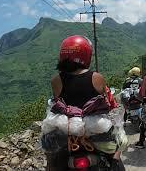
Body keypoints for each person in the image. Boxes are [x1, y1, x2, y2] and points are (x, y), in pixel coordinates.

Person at [48, 35, 124, 170]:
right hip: (95, 130)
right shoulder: (96, 78)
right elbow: (107, 103)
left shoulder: (56, 80)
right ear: (86, 55)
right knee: (117, 148)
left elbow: (57, 103)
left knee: (51, 154)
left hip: (68, 132)